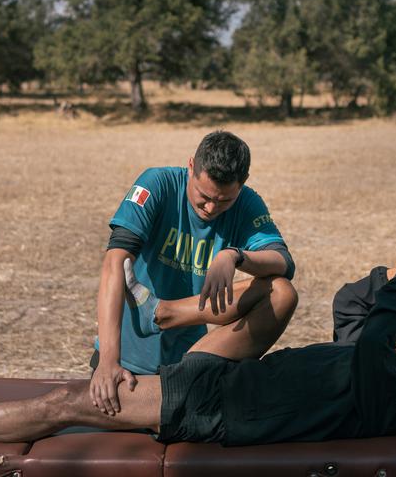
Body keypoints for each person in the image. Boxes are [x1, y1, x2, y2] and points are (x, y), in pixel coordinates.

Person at [0, 244, 396, 446]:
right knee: (275, 294)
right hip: (228, 379)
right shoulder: (381, 371)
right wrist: (393, 276)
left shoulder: (394, 405)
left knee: (69, 401)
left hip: (219, 409)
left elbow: (379, 335)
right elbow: (354, 307)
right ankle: (164, 313)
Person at [90, 130, 297, 416]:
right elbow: (115, 263)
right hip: (122, 361)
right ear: (190, 167)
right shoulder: (157, 184)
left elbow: (284, 262)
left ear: (242, 185)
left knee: (280, 289)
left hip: (182, 369)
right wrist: (108, 362)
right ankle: (150, 321)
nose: (211, 208)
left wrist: (234, 256)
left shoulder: (247, 203)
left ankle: (163, 313)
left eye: (224, 200)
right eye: (203, 196)